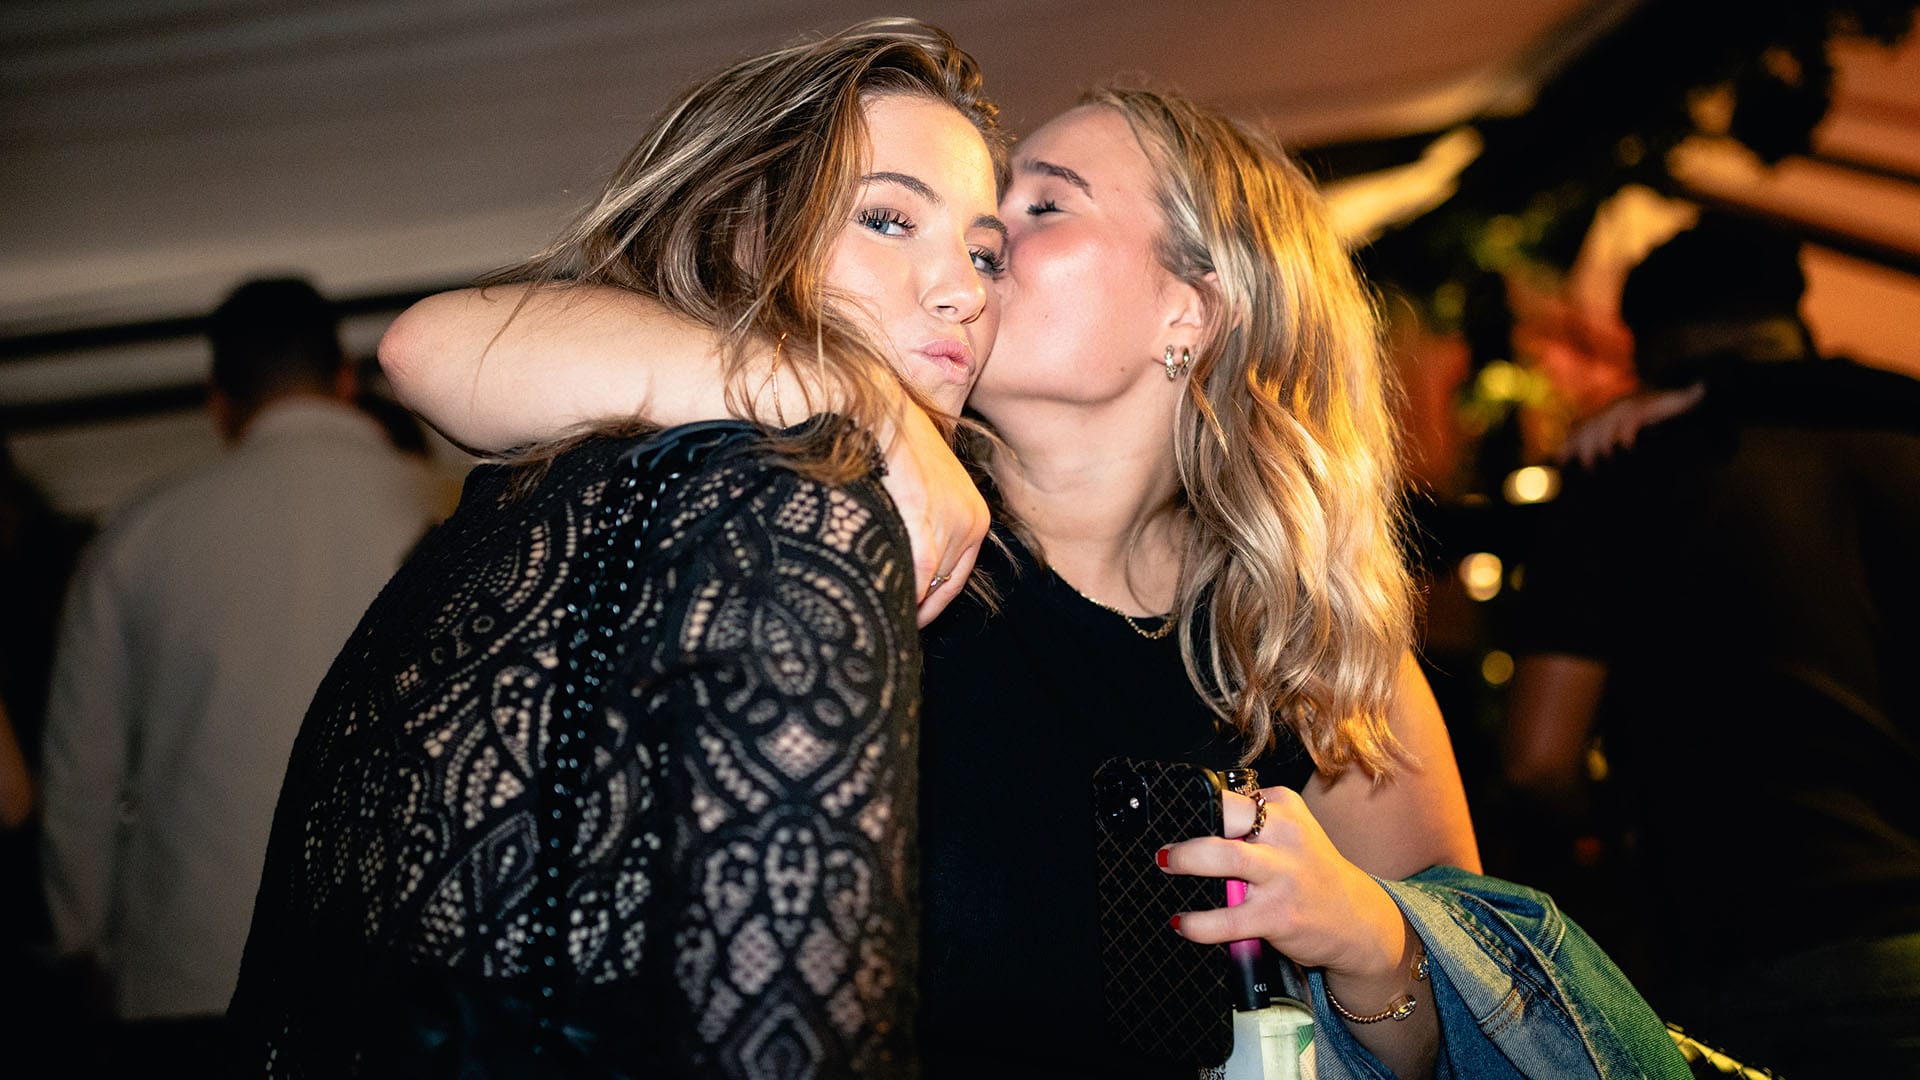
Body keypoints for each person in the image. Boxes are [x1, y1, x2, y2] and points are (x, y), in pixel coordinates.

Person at [381, 85, 1685, 1079]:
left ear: (1193, 310)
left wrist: (1375, 945)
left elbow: (1467, 1039)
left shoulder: (1312, 650)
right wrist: (858, 408)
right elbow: (444, 347)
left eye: (1041, 206)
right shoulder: (856, 529)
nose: (985, 241)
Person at [224, 18, 1006, 1077]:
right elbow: (786, 1031)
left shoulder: (552, 498)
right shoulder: (791, 505)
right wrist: (860, 409)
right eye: (886, 218)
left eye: (984, 252)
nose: (966, 289)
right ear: (743, 233)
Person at [1503, 213, 1920, 1077]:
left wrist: (1604, 842)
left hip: (1750, 950)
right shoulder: (1900, 436)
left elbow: (1540, 759)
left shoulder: (1622, 468)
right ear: (1794, 317)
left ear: (1652, 348)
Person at [34, 277, 440, 1071]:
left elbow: (81, 775)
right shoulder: (446, 505)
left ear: (218, 402)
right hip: (404, 958)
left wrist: (78, 939)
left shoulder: (138, 536)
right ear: (346, 380)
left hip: (192, 967)